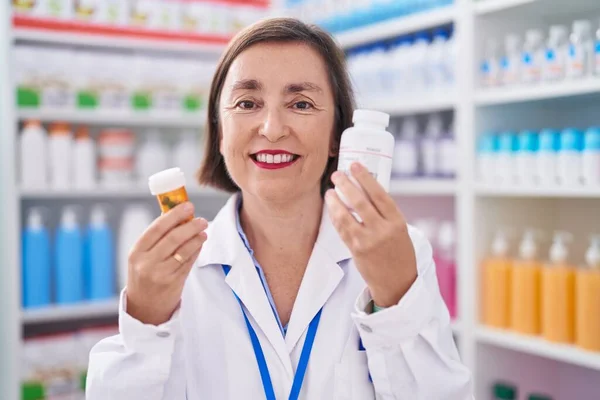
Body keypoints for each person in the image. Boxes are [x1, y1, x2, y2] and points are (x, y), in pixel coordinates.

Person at [86, 17, 472, 399]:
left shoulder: (403, 255)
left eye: (301, 103)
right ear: (220, 133)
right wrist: (145, 323)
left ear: (339, 135)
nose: (272, 128)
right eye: (247, 103)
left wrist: (395, 301)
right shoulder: (175, 273)